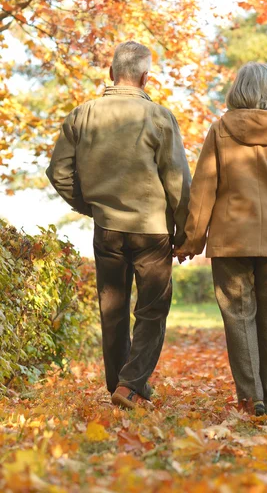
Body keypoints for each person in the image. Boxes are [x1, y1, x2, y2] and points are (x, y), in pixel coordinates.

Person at [46, 41, 191, 409]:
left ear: (111, 73)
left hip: (107, 228)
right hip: (152, 230)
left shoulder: (82, 115)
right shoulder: (159, 117)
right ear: (146, 77)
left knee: (112, 310)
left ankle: (122, 384)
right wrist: (185, 231)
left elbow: (58, 173)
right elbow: (178, 183)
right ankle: (129, 385)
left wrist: (90, 205)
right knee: (152, 311)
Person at [176, 62, 267, 416]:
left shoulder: (220, 130)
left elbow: (203, 191)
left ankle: (251, 398)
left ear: (238, 90)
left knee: (239, 318)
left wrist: (191, 241)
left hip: (231, 241)